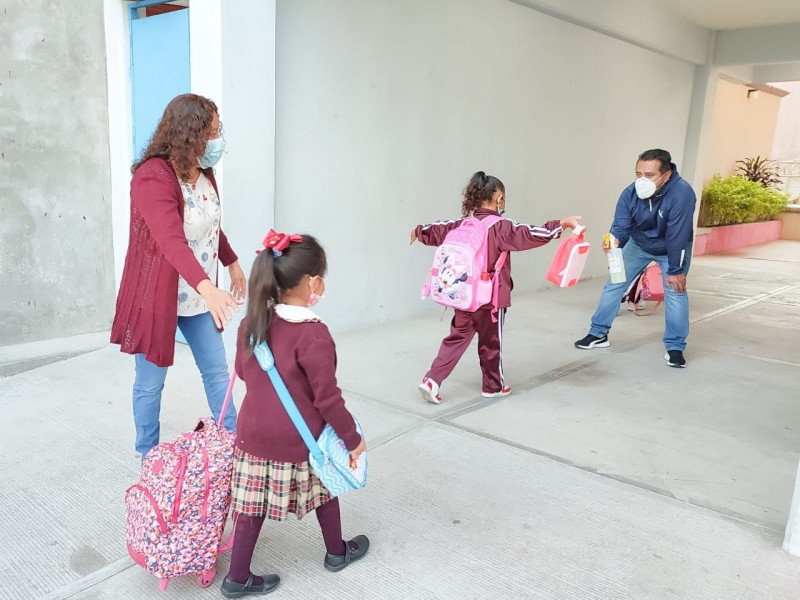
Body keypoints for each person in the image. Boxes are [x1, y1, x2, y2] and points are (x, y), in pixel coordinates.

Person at [222, 232, 369, 598]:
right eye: (322, 275)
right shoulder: (313, 335)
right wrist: (353, 440)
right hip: (299, 441)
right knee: (326, 488)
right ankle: (337, 552)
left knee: (249, 507)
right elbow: (328, 400)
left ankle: (237, 577)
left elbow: (243, 373)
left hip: (252, 435)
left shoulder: (252, 323)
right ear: (311, 282)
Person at [110, 94, 244, 459]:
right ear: (190, 134)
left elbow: (208, 223)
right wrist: (209, 288)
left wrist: (231, 262)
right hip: (158, 295)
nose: (217, 140)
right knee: (151, 384)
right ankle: (148, 457)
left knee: (217, 373)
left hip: (198, 295)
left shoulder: (202, 172)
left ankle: (234, 447)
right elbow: (171, 238)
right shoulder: (152, 177)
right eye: (212, 132)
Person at [410, 171, 581, 404]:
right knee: (491, 344)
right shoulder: (501, 227)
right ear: (499, 198)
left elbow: (435, 229)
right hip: (490, 301)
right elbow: (531, 234)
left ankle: (432, 380)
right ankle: (493, 386)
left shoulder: (461, 224)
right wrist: (560, 225)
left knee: (455, 339)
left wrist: (418, 232)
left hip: (463, 297)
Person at [574, 149, 696, 368]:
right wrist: (615, 240)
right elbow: (621, 224)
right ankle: (598, 334)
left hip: (672, 248)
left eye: (649, 175)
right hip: (638, 245)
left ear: (666, 174)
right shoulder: (630, 193)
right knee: (614, 283)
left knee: (676, 293)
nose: (642, 180)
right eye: (638, 174)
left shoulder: (682, 193)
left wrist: (676, 270)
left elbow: (678, 234)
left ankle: (675, 347)